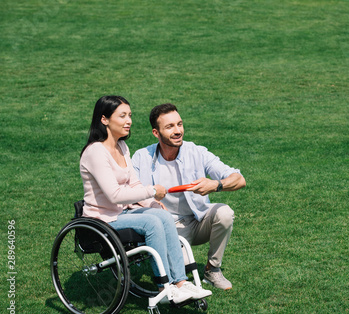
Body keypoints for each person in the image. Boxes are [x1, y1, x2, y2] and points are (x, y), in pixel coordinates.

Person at [79, 96, 211, 303]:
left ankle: (180, 282)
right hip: (102, 218)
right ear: (104, 120)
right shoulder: (95, 152)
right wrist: (151, 192)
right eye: (122, 116)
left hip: (122, 213)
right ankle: (164, 286)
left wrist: (153, 203)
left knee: (162, 216)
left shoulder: (122, 148)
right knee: (152, 223)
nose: (128, 121)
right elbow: (114, 195)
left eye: (129, 115)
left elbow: (133, 186)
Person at [132, 103, 246, 290]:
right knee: (182, 269)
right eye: (170, 127)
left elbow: (239, 179)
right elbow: (129, 193)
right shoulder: (141, 157)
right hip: (167, 228)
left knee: (224, 213)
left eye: (180, 124)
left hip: (198, 220)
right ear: (156, 133)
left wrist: (215, 185)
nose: (178, 131)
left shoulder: (197, 152)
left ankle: (212, 270)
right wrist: (152, 204)